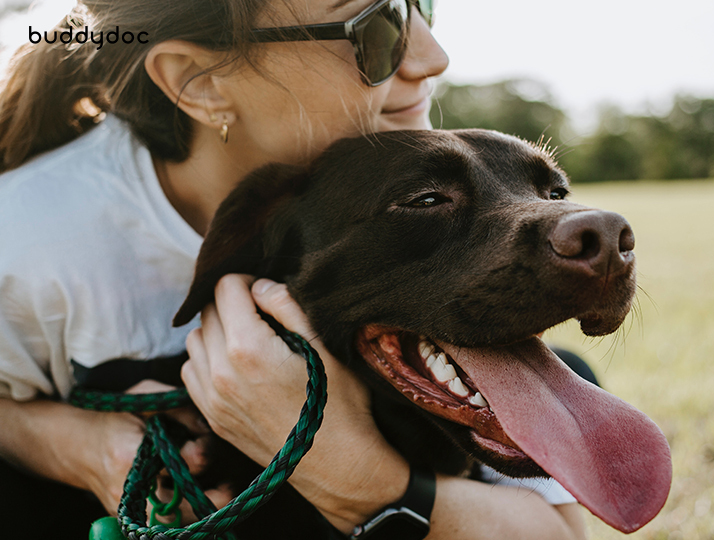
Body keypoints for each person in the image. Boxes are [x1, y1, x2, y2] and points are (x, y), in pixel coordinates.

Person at [0, 0, 588, 539]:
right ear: (199, 82)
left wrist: (355, 473)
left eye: (421, 4)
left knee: (569, 368)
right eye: (376, 28)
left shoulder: (405, 161)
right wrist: (77, 445)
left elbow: (558, 533)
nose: (433, 55)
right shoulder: (28, 238)